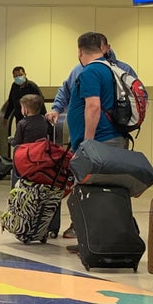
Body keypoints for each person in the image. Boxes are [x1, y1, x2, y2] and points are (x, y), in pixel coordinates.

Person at [63, 31, 127, 251]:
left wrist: (88, 142)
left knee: (91, 193)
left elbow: (93, 106)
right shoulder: (114, 69)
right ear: (103, 47)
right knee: (109, 192)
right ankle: (110, 241)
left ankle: (93, 243)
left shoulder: (90, 71)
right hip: (114, 139)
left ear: (80, 51)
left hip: (99, 141)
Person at [47, 33, 137, 126]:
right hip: (81, 129)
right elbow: (65, 91)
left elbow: (93, 106)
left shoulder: (123, 70)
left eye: (101, 48)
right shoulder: (78, 70)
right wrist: (56, 109)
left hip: (107, 129)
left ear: (108, 47)